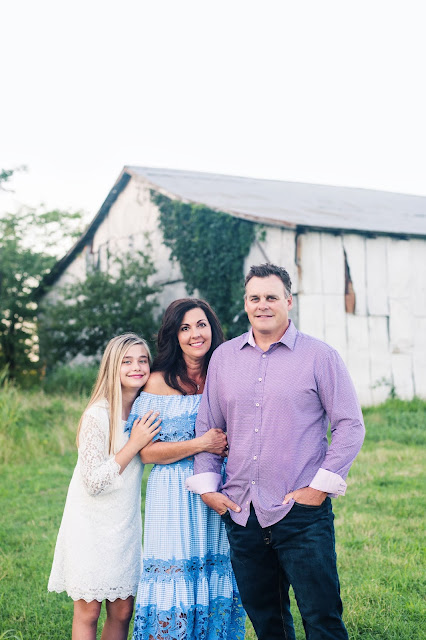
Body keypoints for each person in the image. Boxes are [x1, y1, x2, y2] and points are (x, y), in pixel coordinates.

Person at [187, 263, 366, 640]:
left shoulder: (320, 356)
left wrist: (318, 489)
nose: (262, 305)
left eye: (271, 297)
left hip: (301, 513)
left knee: (322, 619)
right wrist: (208, 489)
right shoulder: (224, 358)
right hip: (242, 513)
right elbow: (208, 427)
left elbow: (350, 426)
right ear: (246, 303)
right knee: (268, 624)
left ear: (288, 301)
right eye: (255, 298)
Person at [127, 299, 246, 640]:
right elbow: (146, 452)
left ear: (213, 329)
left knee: (215, 572)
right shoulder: (156, 383)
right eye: (185, 327)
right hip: (172, 495)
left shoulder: (227, 376)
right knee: (175, 574)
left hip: (217, 491)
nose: (196, 334)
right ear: (173, 335)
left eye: (202, 325)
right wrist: (200, 444)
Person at [48, 333, 162, 640]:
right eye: (127, 361)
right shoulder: (97, 415)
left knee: (123, 611)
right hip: (90, 525)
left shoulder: (143, 410)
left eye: (143, 360)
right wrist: (133, 444)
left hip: (123, 524)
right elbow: (93, 482)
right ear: (113, 366)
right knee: (89, 611)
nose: (137, 367)